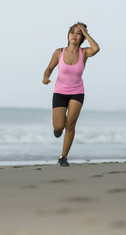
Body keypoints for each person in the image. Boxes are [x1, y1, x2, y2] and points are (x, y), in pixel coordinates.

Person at [42, 22, 100, 166]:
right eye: (72, 32)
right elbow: (49, 68)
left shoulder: (84, 52)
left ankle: (63, 157)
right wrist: (45, 77)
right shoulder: (59, 52)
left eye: (78, 33)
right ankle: (58, 128)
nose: (74, 35)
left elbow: (96, 48)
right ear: (68, 35)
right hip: (60, 92)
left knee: (71, 124)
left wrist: (85, 32)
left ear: (82, 37)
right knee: (59, 127)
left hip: (77, 92)